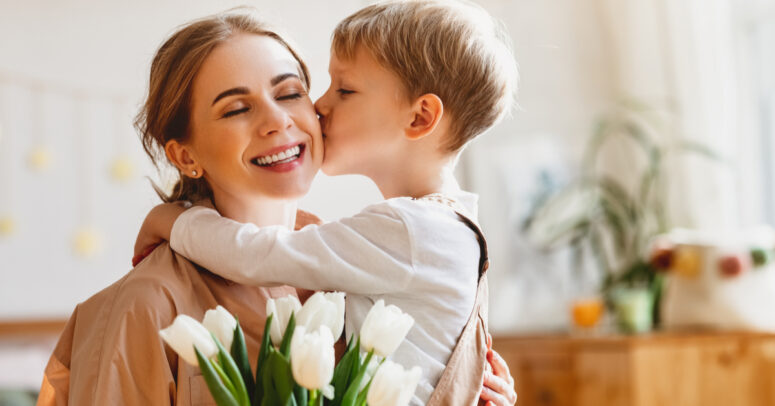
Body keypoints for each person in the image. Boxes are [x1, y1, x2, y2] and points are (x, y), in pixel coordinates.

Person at [37, 9, 515, 406]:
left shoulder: (345, 273)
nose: (279, 120)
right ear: (185, 155)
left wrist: (473, 385)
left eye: (291, 93)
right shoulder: (150, 302)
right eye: (236, 108)